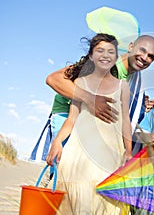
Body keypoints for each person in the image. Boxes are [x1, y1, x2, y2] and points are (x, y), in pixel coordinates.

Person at [46, 33, 132, 214]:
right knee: (76, 201)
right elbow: (72, 118)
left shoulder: (123, 86)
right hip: (79, 153)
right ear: (91, 56)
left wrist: (129, 152)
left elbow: (126, 121)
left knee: (103, 202)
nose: (105, 55)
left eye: (111, 51)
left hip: (109, 154)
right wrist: (57, 141)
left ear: (116, 57)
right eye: (100, 50)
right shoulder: (80, 83)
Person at [46, 35, 154, 154]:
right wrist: (90, 99)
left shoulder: (134, 82)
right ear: (131, 47)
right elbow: (54, 79)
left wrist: (142, 107)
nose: (145, 58)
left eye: (151, 56)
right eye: (142, 50)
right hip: (67, 115)